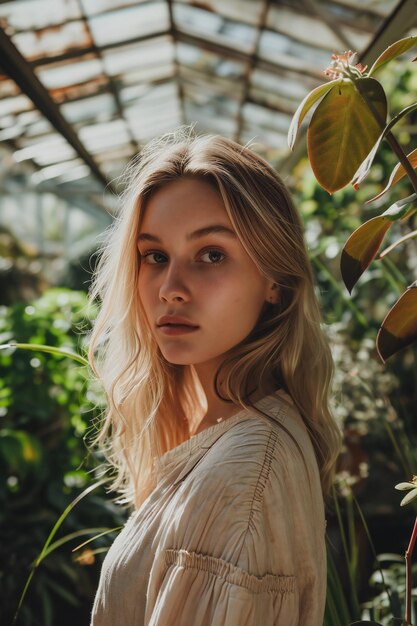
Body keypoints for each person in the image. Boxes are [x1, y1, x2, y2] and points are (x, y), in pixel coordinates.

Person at [87, 125, 342, 625]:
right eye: (154, 256)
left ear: (274, 280)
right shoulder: (230, 437)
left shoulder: (244, 477)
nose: (171, 288)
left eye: (211, 255)